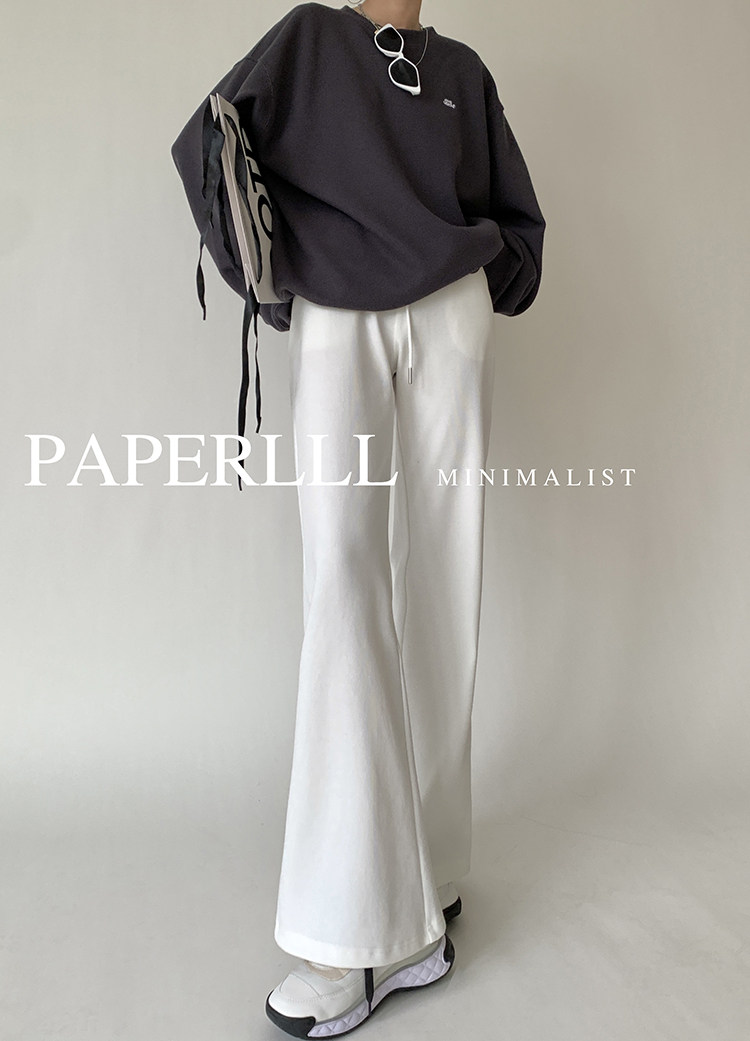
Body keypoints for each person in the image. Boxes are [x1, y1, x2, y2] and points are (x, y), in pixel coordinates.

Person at [171, 1, 545, 1036]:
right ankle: (352, 932)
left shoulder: (462, 69)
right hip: (338, 316)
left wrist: (481, 284)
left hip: (451, 321)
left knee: (446, 578)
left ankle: (429, 872)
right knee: (343, 582)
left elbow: (518, 219)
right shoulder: (310, 39)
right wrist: (273, 279)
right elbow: (207, 143)